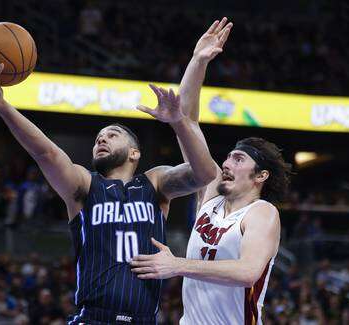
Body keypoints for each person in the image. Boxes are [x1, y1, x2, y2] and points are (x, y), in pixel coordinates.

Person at [0, 50, 217, 323]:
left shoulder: (155, 182)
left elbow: (205, 173)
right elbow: (47, 154)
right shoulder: (85, 186)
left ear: (135, 153)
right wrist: (0, 104)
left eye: (112, 135)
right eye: (99, 137)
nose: (102, 139)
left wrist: (179, 122)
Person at [131, 18, 292, 324]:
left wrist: (177, 264)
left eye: (240, 159)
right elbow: (188, 122)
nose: (228, 164)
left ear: (261, 176)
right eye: (229, 157)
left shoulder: (262, 213)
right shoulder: (212, 193)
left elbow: (247, 272)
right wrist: (198, 61)